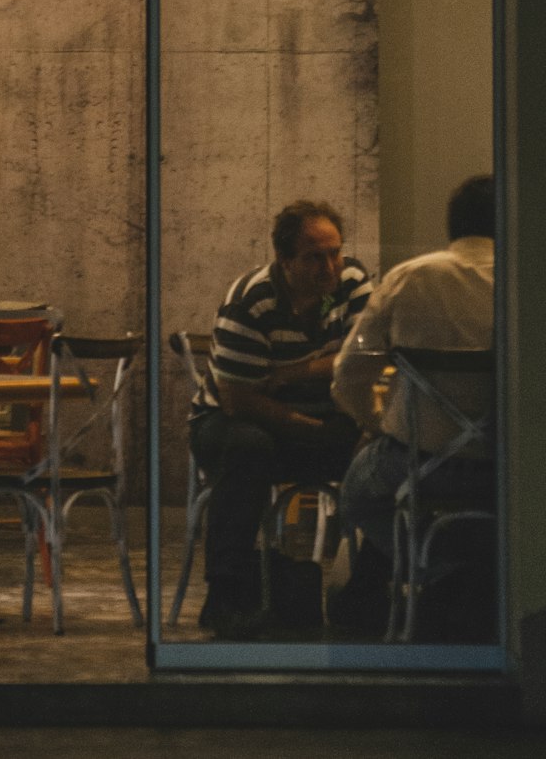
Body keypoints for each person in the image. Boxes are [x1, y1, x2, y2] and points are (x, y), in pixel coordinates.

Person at [189, 200, 372, 636]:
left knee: (380, 451)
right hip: (231, 420)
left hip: (313, 418)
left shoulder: (345, 286)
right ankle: (225, 597)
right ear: (285, 261)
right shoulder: (253, 301)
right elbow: (238, 400)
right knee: (249, 446)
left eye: (335, 251)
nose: (329, 265)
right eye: (314, 256)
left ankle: (368, 592)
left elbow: (360, 357)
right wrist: (312, 428)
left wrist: (290, 372)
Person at [329, 174, 495, 637]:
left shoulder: (411, 277)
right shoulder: (527, 280)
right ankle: (473, 580)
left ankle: (441, 573)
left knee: (358, 497)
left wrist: (374, 423)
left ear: (452, 225)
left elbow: (348, 374)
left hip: (417, 466)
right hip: (507, 473)